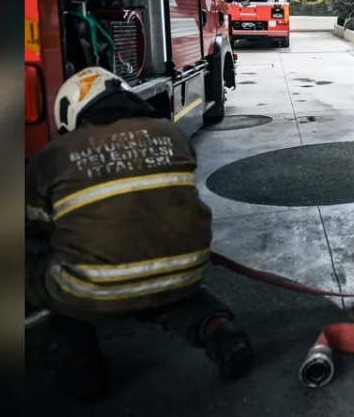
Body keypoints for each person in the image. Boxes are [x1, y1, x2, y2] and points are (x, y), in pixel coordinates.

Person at [25, 67, 253, 401]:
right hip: (185, 269)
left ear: (72, 113)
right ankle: (222, 331)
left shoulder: (52, 156)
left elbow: (38, 228)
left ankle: (79, 364)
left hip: (92, 290)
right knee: (168, 288)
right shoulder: (171, 133)